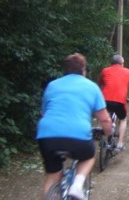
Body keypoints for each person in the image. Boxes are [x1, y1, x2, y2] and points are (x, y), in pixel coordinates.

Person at [36, 53, 112, 199]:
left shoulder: (52, 85)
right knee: (89, 156)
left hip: (47, 135)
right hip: (77, 134)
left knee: (52, 177)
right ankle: (77, 186)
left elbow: (44, 112)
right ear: (84, 70)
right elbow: (105, 120)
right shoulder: (91, 87)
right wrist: (107, 133)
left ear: (65, 69)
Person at [99, 54, 129, 152]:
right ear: (122, 63)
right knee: (123, 119)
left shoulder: (105, 70)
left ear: (111, 63)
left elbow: (101, 85)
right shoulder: (128, 71)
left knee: (105, 117)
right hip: (120, 101)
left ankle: (104, 134)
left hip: (105, 100)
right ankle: (120, 143)